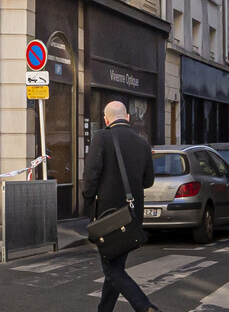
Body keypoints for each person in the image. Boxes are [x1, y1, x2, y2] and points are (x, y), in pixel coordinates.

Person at [79, 100, 154, 312]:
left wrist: (89, 199)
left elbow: (90, 176)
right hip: (131, 216)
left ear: (105, 119)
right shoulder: (142, 144)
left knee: (112, 269)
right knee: (116, 265)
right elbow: (148, 181)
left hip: (108, 215)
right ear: (128, 117)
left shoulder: (101, 137)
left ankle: (145, 307)